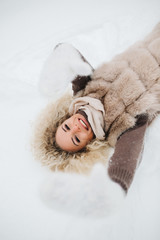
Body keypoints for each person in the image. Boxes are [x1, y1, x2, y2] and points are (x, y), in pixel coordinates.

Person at [34, 22, 160, 193]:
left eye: (67, 127)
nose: (76, 128)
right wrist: (116, 186)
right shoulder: (118, 129)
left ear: (63, 119)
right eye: (76, 139)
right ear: (87, 146)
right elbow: (127, 156)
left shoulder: (83, 90)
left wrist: (61, 61)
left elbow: (68, 55)